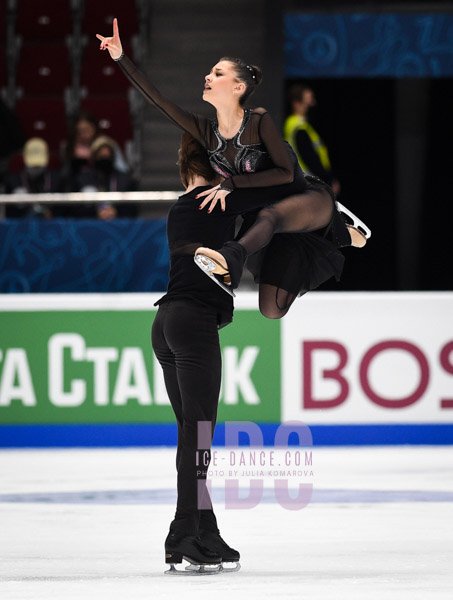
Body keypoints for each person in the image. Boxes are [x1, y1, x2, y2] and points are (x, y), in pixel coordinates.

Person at [97, 19, 370, 317]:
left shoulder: (258, 121)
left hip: (305, 197)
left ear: (238, 87)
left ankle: (235, 259)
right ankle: (333, 231)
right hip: (268, 216)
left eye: (218, 72)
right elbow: (159, 101)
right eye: (210, 72)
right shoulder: (206, 132)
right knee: (272, 309)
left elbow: (286, 175)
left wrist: (232, 185)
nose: (208, 76)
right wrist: (120, 57)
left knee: (269, 215)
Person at [151, 132, 241, 574]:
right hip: (193, 323)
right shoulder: (218, 201)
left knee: (192, 433)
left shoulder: (179, 207)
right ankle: (183, 531)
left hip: (165, 325)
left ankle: (204, 529)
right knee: (200, 434)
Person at [284, 83, 340, 196]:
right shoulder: (298, 127)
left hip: (307, 182)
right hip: (309, 183)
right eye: (308, 101)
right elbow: (309, 157)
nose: (312, 104)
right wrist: (327, 179)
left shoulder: (301, 125)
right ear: (296, 103)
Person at [6, 137, 60, 218]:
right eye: (33, 165)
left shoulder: (56, 179)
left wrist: (52, 214)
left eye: (38, 166)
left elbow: (65, 211)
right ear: (24, 157)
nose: (35, 168)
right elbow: (8, 214)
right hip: (21, 225)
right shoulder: (13, 181)